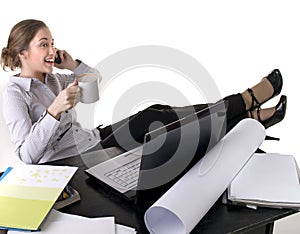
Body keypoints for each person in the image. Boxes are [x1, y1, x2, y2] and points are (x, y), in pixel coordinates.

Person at [1, 19, 287, 164]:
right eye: (44, 45)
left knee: (155, 113)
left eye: (53, 43)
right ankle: (245, 109)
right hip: (72, 160)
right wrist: (54, 111)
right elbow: (27, 156)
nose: (52, 51)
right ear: (22, 52)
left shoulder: (53, 80)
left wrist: (73, 64)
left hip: (94, 139)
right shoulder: (14, 93)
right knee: (164, 127)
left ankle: (245, 112)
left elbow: (92, 86)